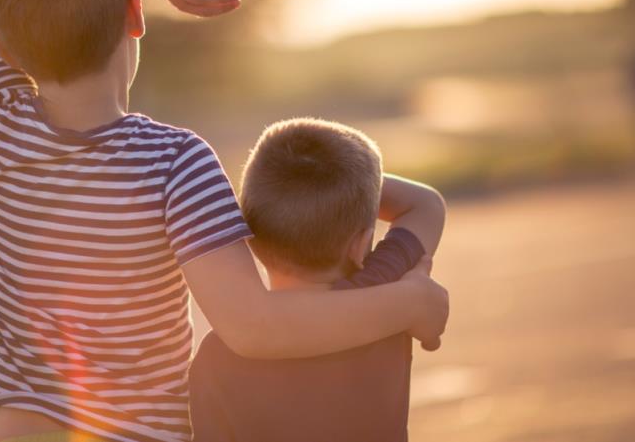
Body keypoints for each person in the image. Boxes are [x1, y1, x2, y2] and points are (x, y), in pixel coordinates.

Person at [0, 0, 449, 442]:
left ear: (7, 49)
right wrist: (410, 302)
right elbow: (254, 328)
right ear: (134, 13)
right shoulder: (173, 163)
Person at [189, 118, 447, 442]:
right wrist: (354, 189)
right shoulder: (384, 298)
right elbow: (426, 204)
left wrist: (288, 192)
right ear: (359, 244)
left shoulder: (220, 354)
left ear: (250, 236)